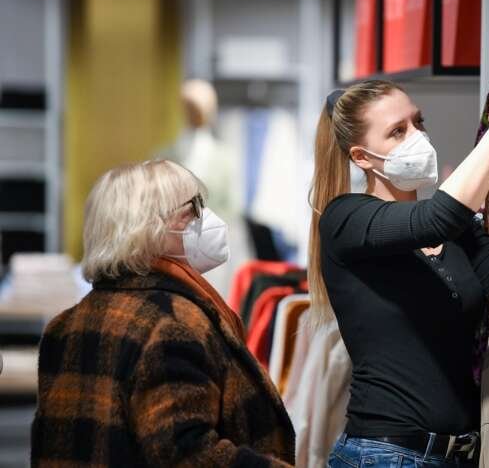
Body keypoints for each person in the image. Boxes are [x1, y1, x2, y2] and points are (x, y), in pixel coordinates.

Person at [308, 73, 489, 467]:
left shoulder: (459, 232)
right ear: (361, 157)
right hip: (384, 455)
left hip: (462, 454)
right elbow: (437, 217)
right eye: (397, 132)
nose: (417, 136)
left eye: (418, 122)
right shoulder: (345, 219)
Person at [31, 160, 295, 467]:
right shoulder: (172, 324)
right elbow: (186, 453)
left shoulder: (65, 324)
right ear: (152, 228)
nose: (205, 218)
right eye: (194, 208)